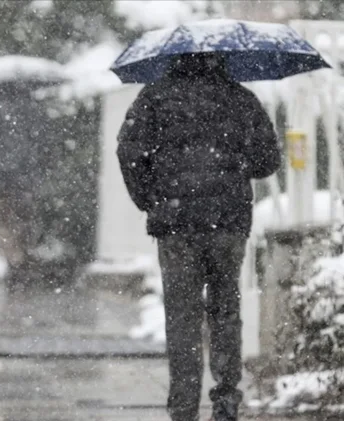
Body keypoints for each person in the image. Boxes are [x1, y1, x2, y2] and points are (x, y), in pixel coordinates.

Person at [116, 53, 281, 421]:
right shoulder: (241, 98)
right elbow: (267, 160)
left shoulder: (154, 97)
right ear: (222, 57)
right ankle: (225, 404)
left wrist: (152, 200)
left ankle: (184, 409)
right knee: (225, 312)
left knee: (182, 317)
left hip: (175, 225)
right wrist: (233, 163)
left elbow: (128, 152)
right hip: (227, 223)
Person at [0, 83, 50, 291]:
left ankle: (13, 262)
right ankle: (23, 260)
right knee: (25, 219)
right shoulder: (34, 108)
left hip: (2, 177)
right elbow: (44, 141)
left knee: (4, 221)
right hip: (27, 177)